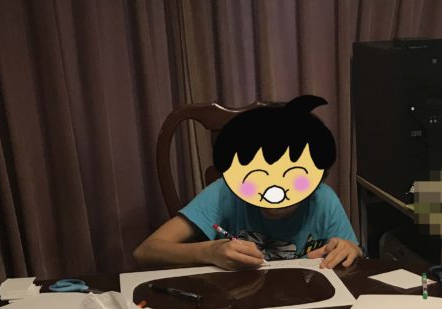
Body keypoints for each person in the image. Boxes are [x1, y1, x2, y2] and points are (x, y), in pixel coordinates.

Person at [134, 95, 362, 271]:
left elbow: (353, 253)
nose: (275, 188)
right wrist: (209, 252)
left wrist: (351, 249)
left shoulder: (323, 198)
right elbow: (145, 252)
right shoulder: (224, 192)